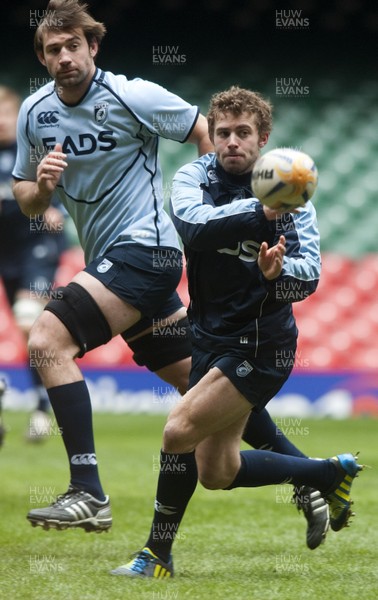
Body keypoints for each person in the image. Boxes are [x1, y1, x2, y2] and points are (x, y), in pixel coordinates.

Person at [13, 0, 327, 546]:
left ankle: (87, 490)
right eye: (52, 49)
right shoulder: (34, 113)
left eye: (73, 45)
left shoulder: (133, 94)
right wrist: (41, 187)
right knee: (200, 388)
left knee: (46, 338)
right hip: (108, 260)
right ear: (42, 57)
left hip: (147, 251)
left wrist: (215, 228)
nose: (64, 56)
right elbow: (25, 201)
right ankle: (311, 480)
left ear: (94, 47)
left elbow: (205, 134)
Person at [111, 86, 364, 578]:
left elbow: (309, 275)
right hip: (206, 334)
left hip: (262, 344)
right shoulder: (193, 177)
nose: (231, 142)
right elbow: (193, 226)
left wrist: (278, 276)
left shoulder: (294, 193)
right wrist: (260, 214)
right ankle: (326, 472)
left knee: (178, 430)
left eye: (243, 133)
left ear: (262, 139)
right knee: (217, 472)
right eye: (222, 132)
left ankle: (156, 556)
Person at [0, 84, 66, 442]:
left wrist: (55, 208)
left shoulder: (33, 149)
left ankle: (41, 409)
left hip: (37, 245)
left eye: (5, 113)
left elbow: (67, 186)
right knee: (26, 327)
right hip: (5, 251)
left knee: (29, 321)